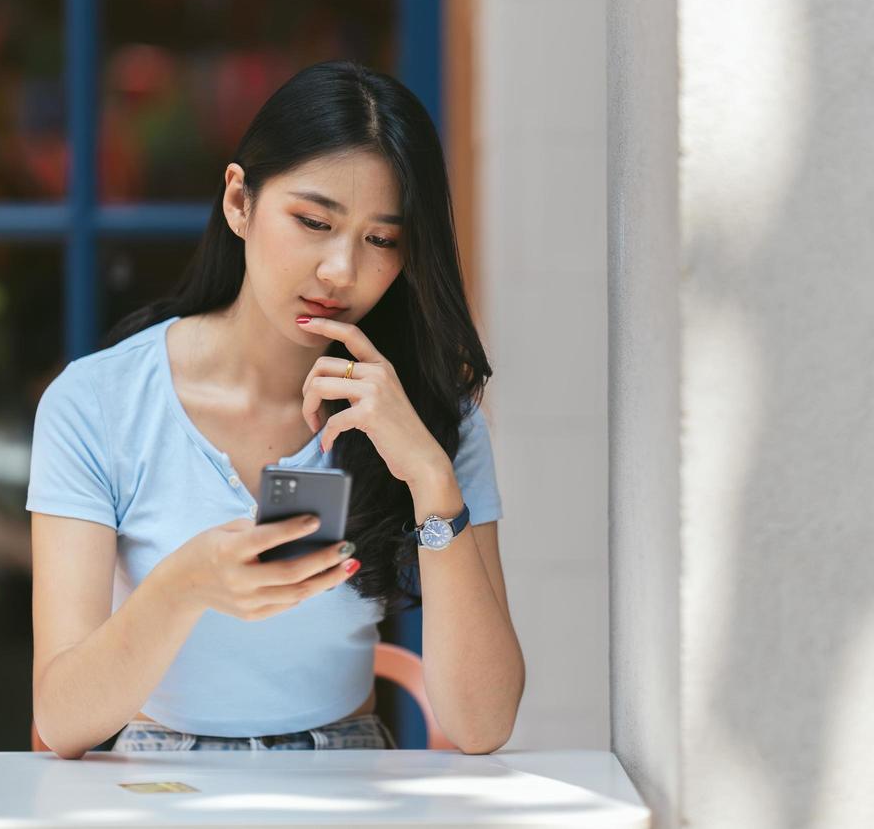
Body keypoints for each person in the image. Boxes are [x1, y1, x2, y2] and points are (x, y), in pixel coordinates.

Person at [28, 60, 525, 758]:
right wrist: (185, 584)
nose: (340, 272)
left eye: (381, 240)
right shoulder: (97, 403)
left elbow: (483, 726)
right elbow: (61, 721)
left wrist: (432, 482)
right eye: (314, 221)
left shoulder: (424, 414)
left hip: (346, 775)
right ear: (239, 203)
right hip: (156, 780)